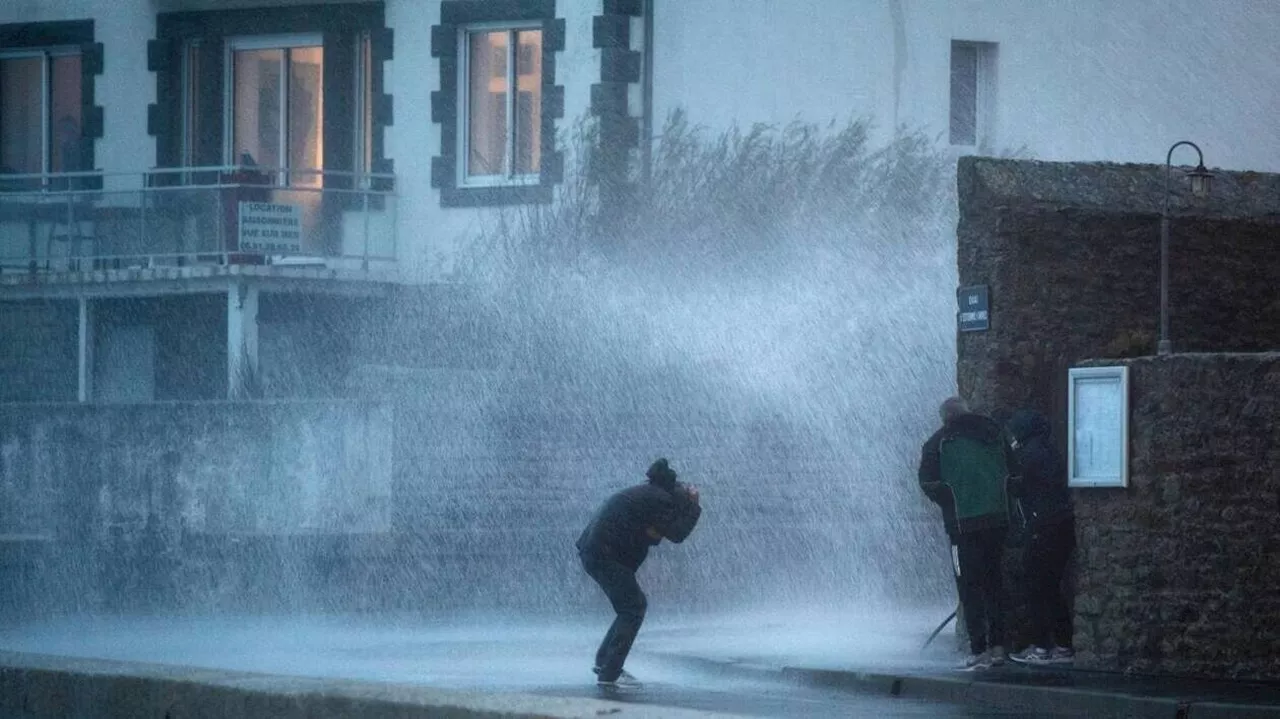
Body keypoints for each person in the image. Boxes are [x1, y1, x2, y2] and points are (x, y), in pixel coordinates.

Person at [577, 458, 702, 687]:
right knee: (634, 607)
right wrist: (693, 507)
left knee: (628, 607)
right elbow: (677, 534)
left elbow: (651, 532)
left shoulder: (646, 494)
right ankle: (610, 673)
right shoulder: (661, 500)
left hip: (593, 551)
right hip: (603, 554)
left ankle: (605, 662)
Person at [918, 397, 1014, 670]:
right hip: (997, 523)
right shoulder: (995, 433)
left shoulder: (939, 443)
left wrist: (951, 501)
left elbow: (927, 482)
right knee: (994, 584)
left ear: (946, 418)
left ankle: (978, 650)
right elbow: (1015, 473)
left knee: (969, 588)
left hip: (963, 527)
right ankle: (998, 648)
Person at [1005, 409, 1076, 665]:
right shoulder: (1048, 449)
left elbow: (1016, 486)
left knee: (1036, 585)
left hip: (1043, 525)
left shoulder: (1027, 454)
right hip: (1060, 523)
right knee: (1051, 586)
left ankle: (1041, 646)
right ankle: (1063, 644)